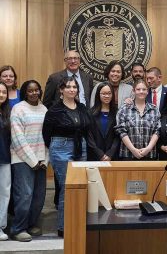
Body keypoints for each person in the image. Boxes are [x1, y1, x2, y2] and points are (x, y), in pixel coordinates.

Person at [43, 77, 91, 237]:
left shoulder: (82, 108)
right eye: (68, 87)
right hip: (60, 148)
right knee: (67, 187)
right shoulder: (54, 110)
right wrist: (57, 148)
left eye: (74, 87)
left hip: (81, 147)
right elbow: (46, 134)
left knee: (81, 186)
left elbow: (87, 128)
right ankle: (64, 227)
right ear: (61, 90)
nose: (72, 89)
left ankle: (78, 223)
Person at [10, 80, 48, 242]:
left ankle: (31, 224)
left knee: (39, 196)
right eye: (30, 91)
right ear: (25, 92)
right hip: (22, 159)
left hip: (41, 159)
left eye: (36, 90)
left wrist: (45, 160)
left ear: (40, 91)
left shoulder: (45, 109)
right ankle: (18, 228)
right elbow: (17, 138)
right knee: (24, 195)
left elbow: (48, 137)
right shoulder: (18, 109)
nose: (34, 93)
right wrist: (33, 161)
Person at [115, 79, 161, 160]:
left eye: (144, 89)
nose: (141, 91)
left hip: (149, 155)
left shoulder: (154, 109)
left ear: (147, 91)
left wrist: (148, 148)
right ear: (133, 91)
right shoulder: (124, 109)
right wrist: (133, 150)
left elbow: (157, 131)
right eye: (138, 89)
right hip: (128, 154)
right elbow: (121, 131)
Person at [88, 82, 120, 161]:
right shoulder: (90, 113)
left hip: (113, 156)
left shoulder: (117, 112)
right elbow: (89, 136)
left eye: (109, 93)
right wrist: (100, 154)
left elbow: (118, 136)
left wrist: (110, 154)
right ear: (98, 95)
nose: (107, 96)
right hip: (95, 156)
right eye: (104, 93)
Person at [0, 82, 11, 241]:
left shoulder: (7, 113)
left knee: (4, 194)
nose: (1, 94)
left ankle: (1, 226)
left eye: (4, 92)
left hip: (5, 158)